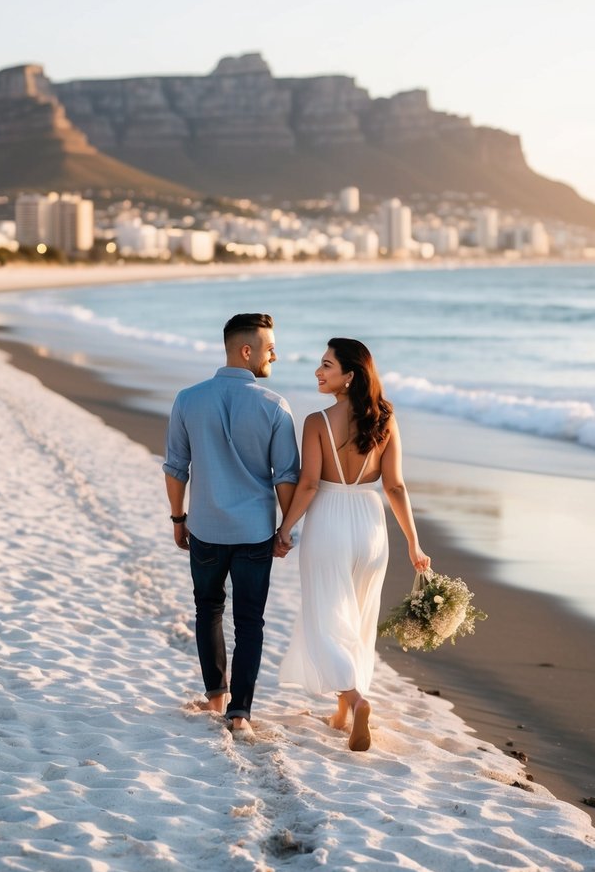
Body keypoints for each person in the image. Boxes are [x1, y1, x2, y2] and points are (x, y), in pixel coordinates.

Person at [275, 337, 429, 752]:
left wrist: (285, 528)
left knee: (327, 619)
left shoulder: (316, 422)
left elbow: (308, 484)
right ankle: (344, 710)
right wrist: (413, 543)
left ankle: (358, 700)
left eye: (326, 365)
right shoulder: (387, 418)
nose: (318, 372)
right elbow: (395, 485)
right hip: (370, 523)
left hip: (328, 520)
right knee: (359, 619)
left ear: (349, 376)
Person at [163, 313, 300, 734]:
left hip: (204, 526)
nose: (274, 353)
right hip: (255, 531)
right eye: (269, 346)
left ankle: (215, 697)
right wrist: (284, 530)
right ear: (247, 350)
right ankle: (239, 712)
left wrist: (178, 518)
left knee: (208, 610)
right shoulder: (275, 406)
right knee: (249, 621)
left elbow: (175, 468)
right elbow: (286, 476)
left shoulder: (188, 399)